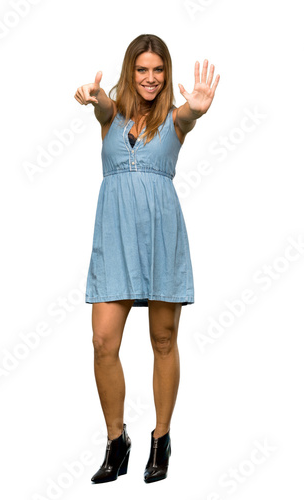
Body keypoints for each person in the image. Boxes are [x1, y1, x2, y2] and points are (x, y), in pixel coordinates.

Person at [74, 34, 220, 484]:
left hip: (162, 239)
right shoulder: (112, 116)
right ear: (130, 72)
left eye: (158, 70)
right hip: (114, 239)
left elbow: (189, 115)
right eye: (142, 70)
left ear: (166, 72)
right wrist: (96, 96)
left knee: (163, 341)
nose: (151, 78)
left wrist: (195, 107)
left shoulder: (175, 119)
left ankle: (162, 439)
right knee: (103, 344)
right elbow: (101, 106)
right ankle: (117, 441)